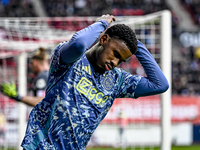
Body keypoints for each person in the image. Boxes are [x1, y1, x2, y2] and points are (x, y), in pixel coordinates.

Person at [21, 14, 169, 150]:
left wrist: (136, 45)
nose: (115, 62)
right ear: (104, 39)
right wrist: (102, 23)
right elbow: (79, 43)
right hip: (42, 145)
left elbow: (160, 85)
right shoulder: (69, 60)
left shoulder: (118, 80)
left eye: (121, 60)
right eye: (115, 54)